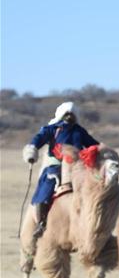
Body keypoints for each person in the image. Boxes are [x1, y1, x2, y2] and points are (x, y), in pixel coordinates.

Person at [22, 102, 98, 239]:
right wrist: (31, 150)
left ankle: (95, 222)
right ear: (61, 115)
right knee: (47, 186)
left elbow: (93, 145)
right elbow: (37, 139)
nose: (69, 117)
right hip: (56, 166)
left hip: (77, 167)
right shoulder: (52, 129)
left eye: (71, 114)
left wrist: (101, 155)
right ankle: (41, 222)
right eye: (66, 114)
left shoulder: (79, 131)